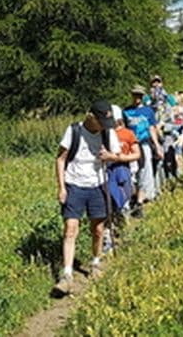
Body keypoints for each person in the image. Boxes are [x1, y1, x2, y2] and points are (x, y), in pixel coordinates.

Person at [54, 100, 121, 293]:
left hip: (98, 185)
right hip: (74, 184)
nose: (103, 127)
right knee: (70, 229)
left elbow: (116, 155)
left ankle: (95, 262)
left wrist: (109, 156)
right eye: (101, 122)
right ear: (90, 116)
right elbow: (60, 159)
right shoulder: (74, 131)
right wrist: (61, 187)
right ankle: (67, 274)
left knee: (98, 229)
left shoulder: (108, 133)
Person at [103, 105, 142, 252]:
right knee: (107, 205)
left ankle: (122, 228)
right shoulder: (103, 134)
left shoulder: (128, 134)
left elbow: (137, 154)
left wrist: (120, 158)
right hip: (106, 172)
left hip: (122, 170)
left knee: (120, 201)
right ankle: (107, 236)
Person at [123, 85, 163, 217]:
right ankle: (130, 199)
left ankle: (140, 202)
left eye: (139, 95)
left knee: (144, 172)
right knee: (130, 173)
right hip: (130, 146)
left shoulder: (148, 111)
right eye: (135, 95)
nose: (137, 98)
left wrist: (157, 145)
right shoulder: (126, 111)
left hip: (144, 144)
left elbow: (152, 129)